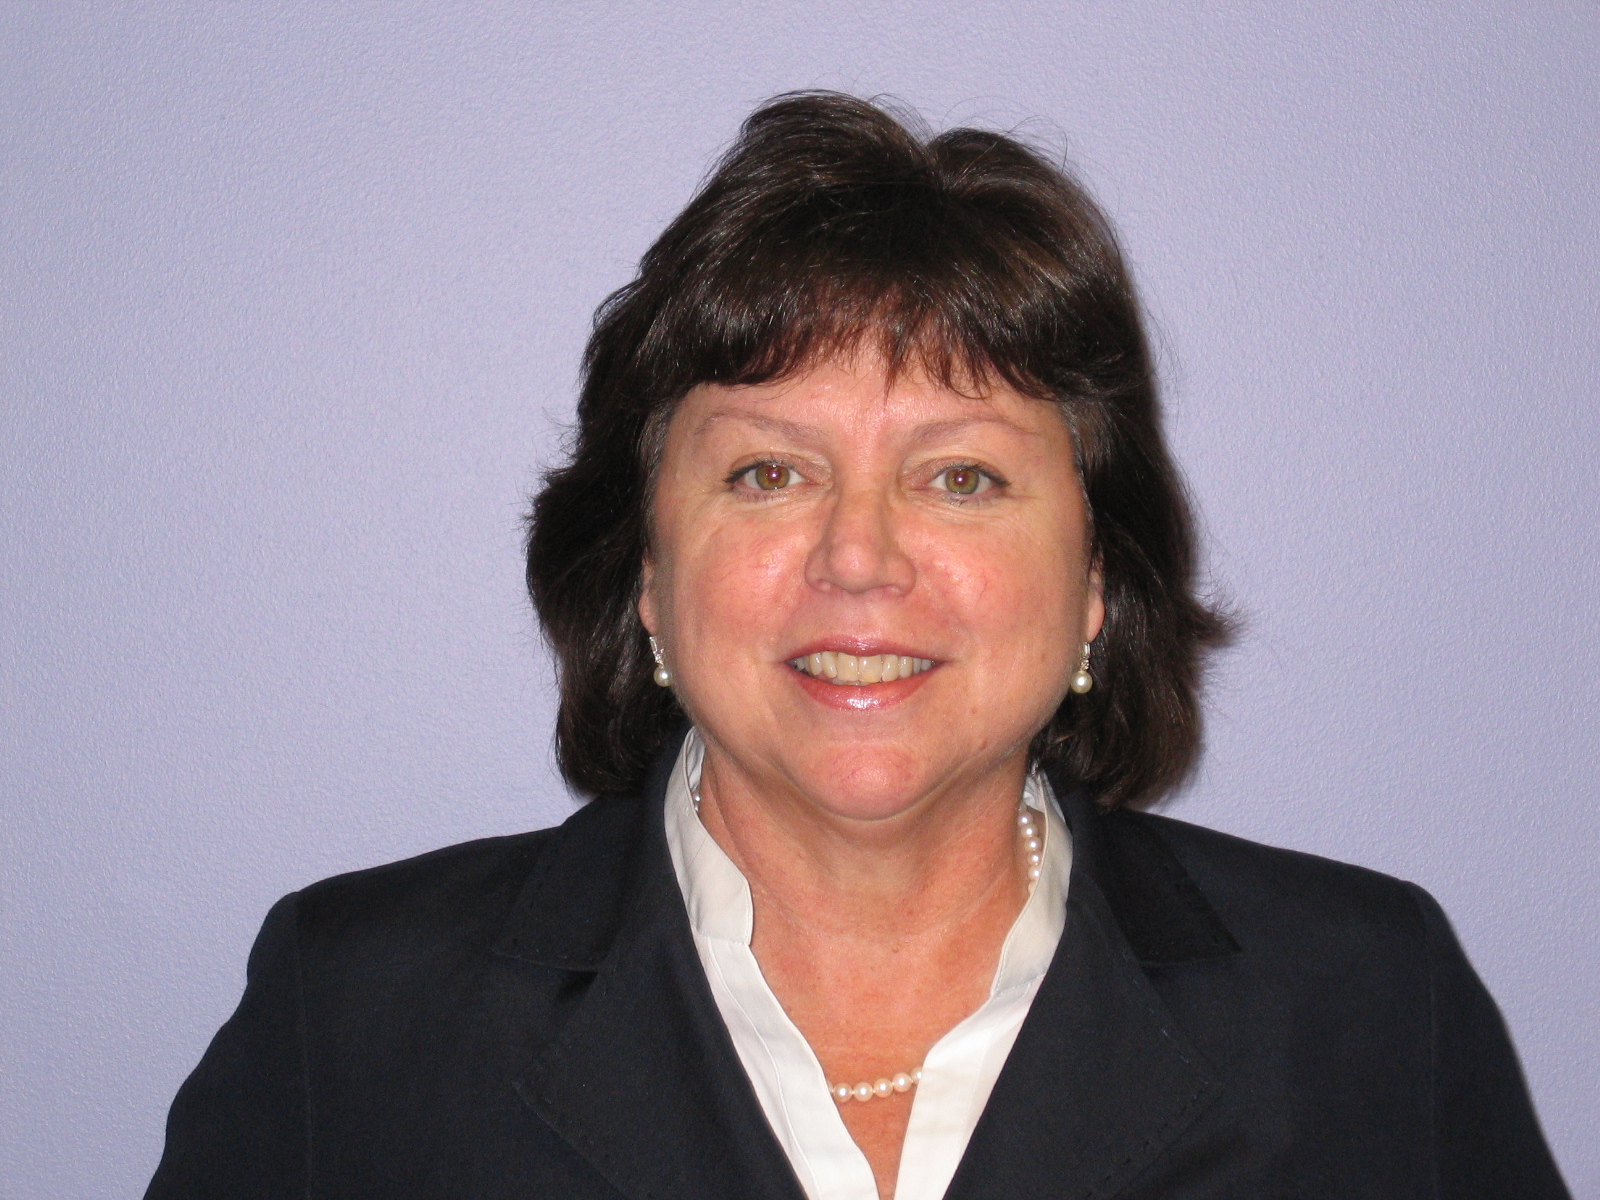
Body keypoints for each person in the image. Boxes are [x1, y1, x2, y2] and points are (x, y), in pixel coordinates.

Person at [144, 92, 1569, 1200]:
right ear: (647, 573)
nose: (859, 557)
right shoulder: (357, 1015)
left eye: (963, 477)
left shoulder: (1365, 1004)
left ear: (1095, 582)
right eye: (768, 473)